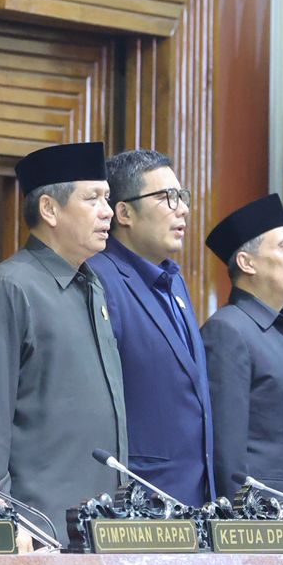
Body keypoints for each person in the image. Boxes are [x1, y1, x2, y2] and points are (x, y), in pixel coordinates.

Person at [0, 141, 127, 542]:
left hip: (101, 525)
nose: (107, 211)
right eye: (93, 199)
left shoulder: (92, 285)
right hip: (39, 529)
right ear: (50, 209)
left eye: (107, 198)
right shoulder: (11, 286)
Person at [89, 149, 215, 507]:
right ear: (124, 213)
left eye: (182, 196)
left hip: (194, 499)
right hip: (139, 501)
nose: (182, 209)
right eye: (166, 197)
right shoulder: (100, 278)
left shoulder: (174, 281)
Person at [201, 193, 283, 507]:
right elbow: (226, 454)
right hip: (259, 520)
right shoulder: (228, 330)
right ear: (247, 262)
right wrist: (237, 525)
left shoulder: (279, 330)